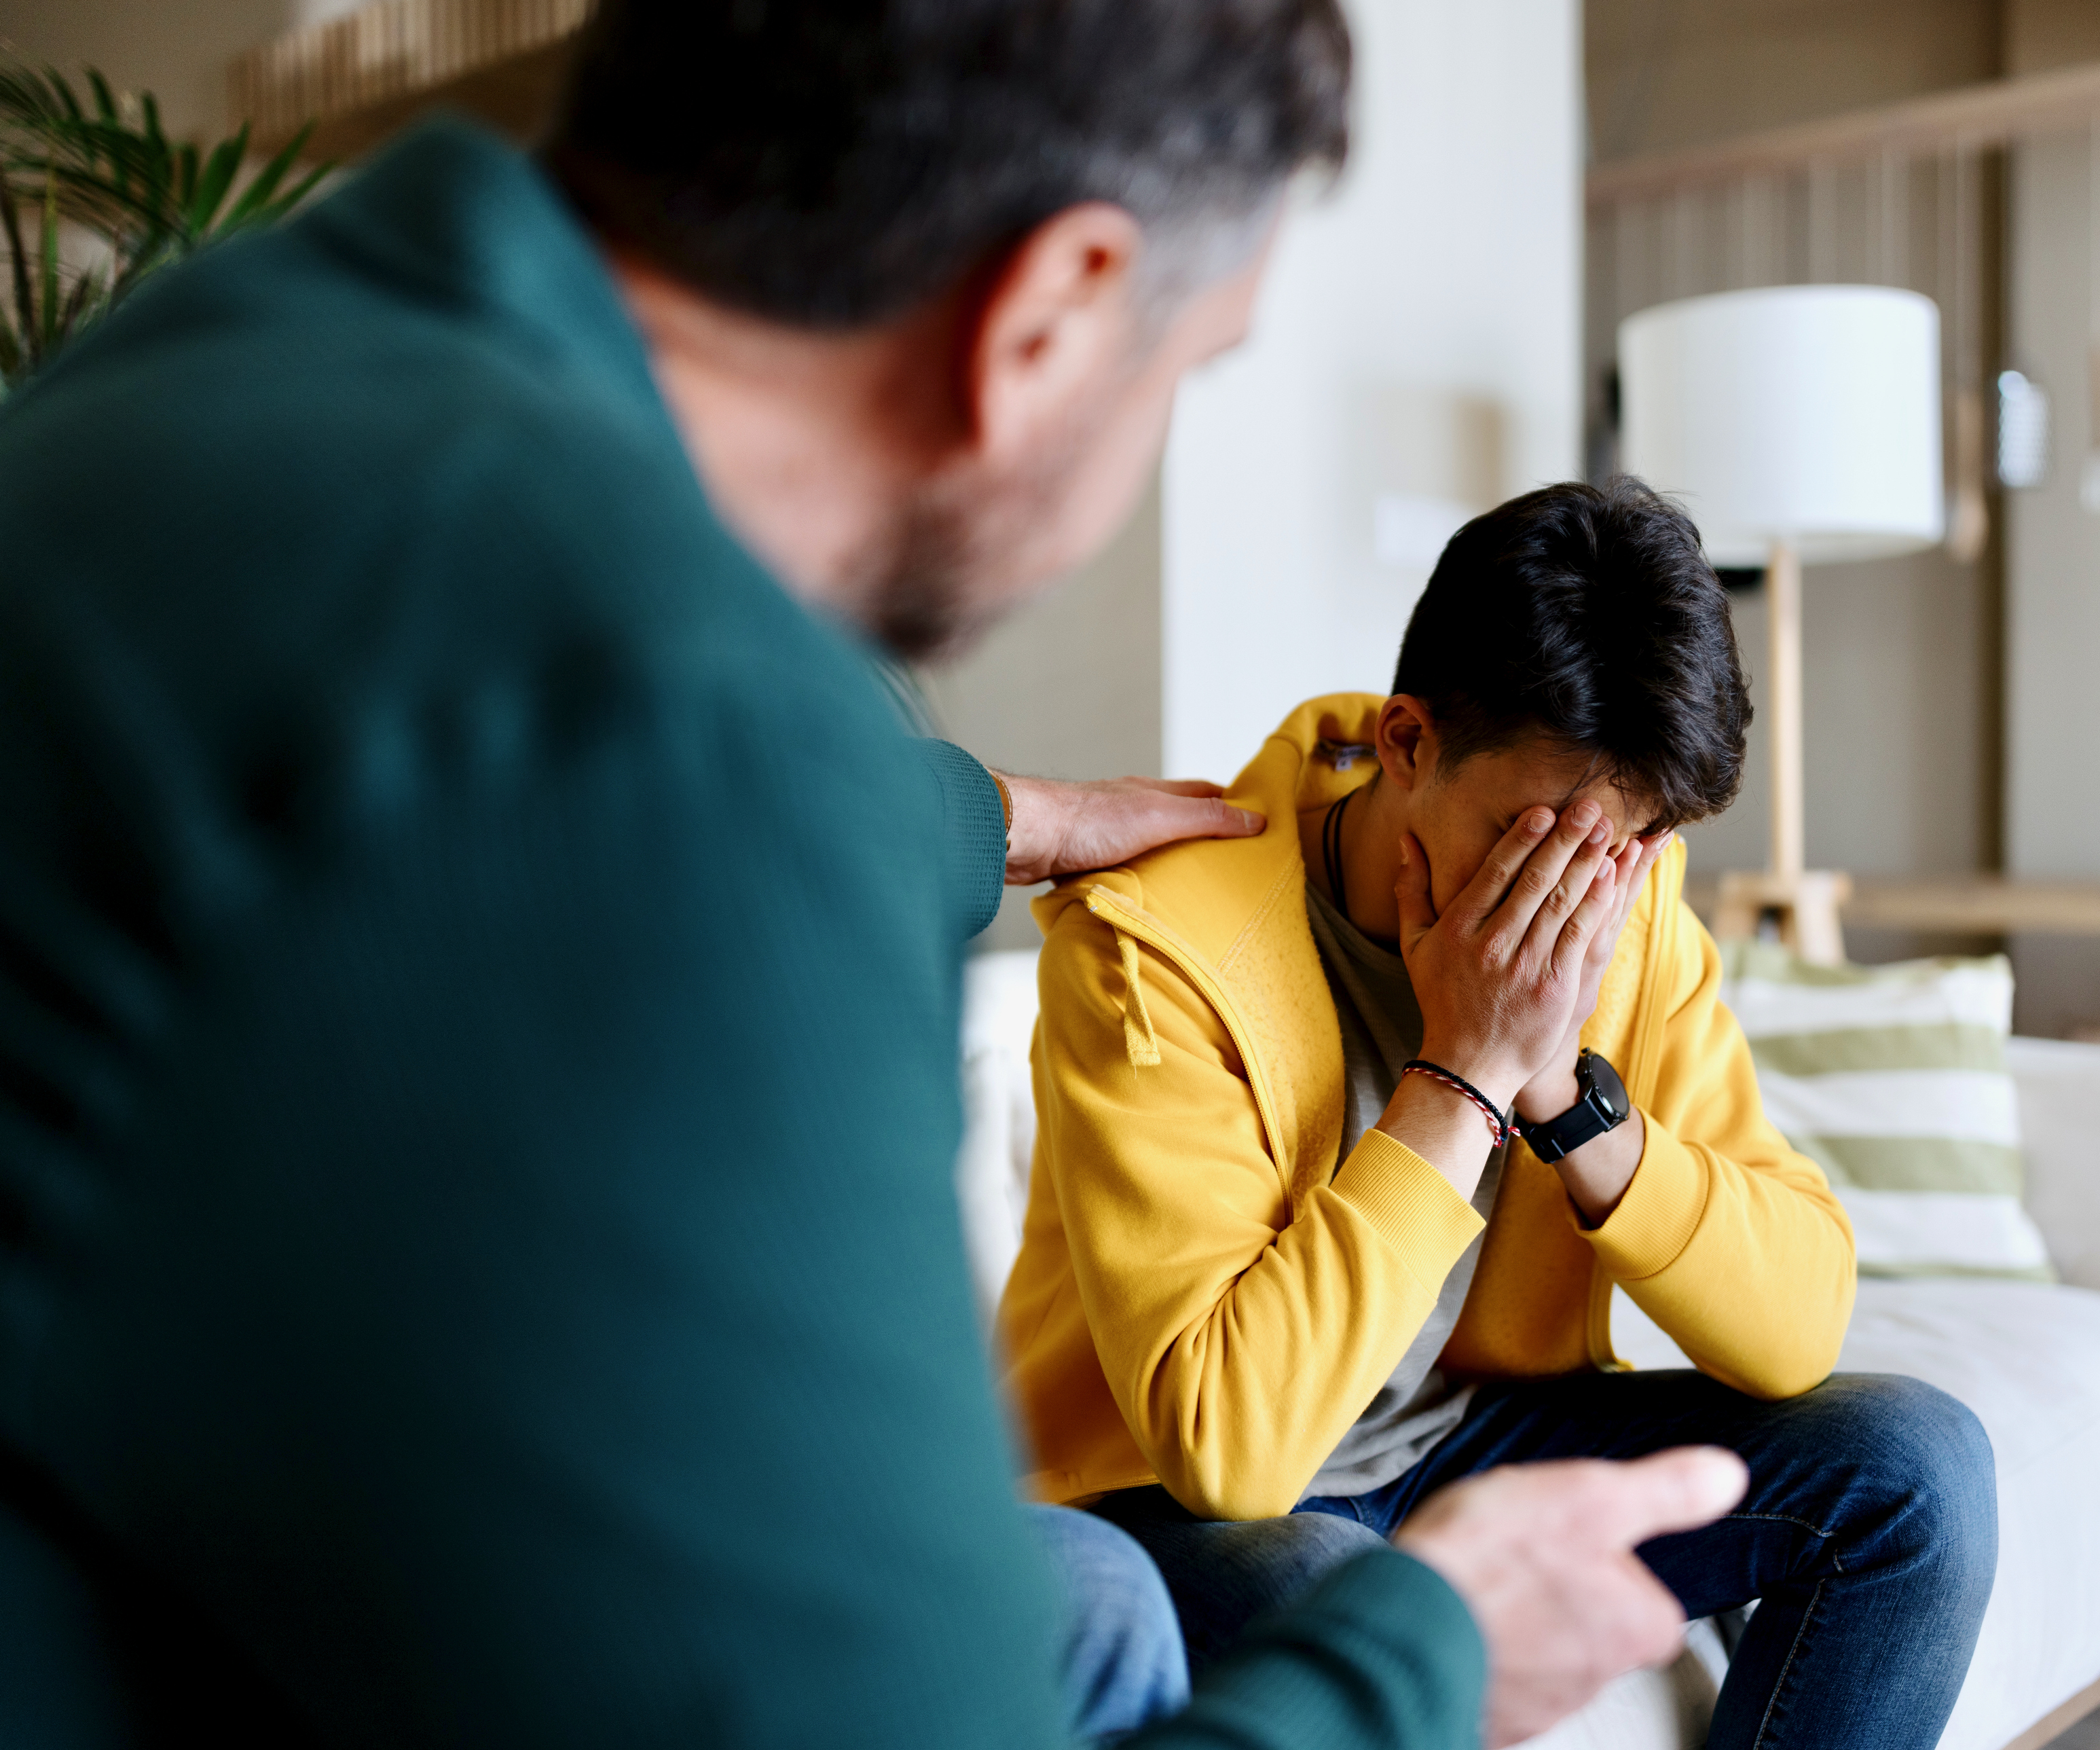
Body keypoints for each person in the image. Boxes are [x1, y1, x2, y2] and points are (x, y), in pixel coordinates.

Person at [0, 3, 1752, 1748]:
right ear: (1053, 309)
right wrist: (1427, 1648)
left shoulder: (202, 373)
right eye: (1189, 367)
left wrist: (993, 818)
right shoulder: (662, 735)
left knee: (1079, 1604)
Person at [1000, 479, 2003, 1749]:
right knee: (1339, 1599)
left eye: (1619, 850)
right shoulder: (1151, 948)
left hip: (1468, 1432)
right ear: (1407, 742)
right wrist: (1465, 1076)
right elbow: (1231, 1449)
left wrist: (1569, 1105)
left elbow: (1800, 1323)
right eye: (1532, 839)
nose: (1572, 896)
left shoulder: (1630, 915)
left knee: (1918, 1470)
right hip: (1171, 1503)